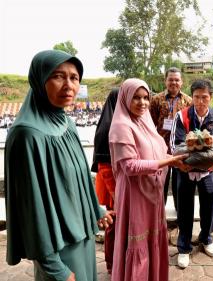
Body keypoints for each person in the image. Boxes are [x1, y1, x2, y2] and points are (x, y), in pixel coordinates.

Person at [4, 50, 113, 281]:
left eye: (74, 78)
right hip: (60, 250)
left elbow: (81, 177)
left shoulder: (67, 123)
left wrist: (96, 209)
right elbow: (31, 210)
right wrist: (56, 268)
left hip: (83, 236)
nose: (68, 85)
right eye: (58, 76)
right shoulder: (27, 134)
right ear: (39, 79)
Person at [109, 78, 188, 281]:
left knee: (152, 238)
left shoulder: (145, 121)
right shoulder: (121, 126)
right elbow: (130, 166)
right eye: (136, 97)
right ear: (125, 98)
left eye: (146, 98)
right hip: (135, 195)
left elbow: (158, 151)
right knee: (138, 241)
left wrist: (175, 159)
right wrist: (166, 162)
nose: (142, 103)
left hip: (152, 193)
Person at [170, 79, 213, 269]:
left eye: (204, 97)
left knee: (209, 207)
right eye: (196, 97)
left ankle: (206, 238)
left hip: (208, 172)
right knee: (184, 209)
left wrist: (199, 153)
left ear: (211, 97)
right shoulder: (182, 116)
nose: (200, 101)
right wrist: (192, 158)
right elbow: (176, 145)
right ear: (191, 97)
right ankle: (184, 247)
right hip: (184, 171)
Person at [149, 67, 192, 211]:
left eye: (177, 80)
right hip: (161, 149)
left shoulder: (188, 101)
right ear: (165, 81)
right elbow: (150, 124)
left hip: (181, 149)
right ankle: (159, 212)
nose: (174, 82)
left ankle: (180, 211)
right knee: (161, 182)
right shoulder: (156, 100)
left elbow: (191, 126)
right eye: (171, 79)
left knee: (180, 183)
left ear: (182, 82)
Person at [91, 87, 120, 274]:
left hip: (114, 184)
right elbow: (104, 165)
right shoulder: (108, 126)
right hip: (111, 186)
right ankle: (111, 265)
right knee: (112, 226)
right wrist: (116, 194)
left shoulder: (116, 122)